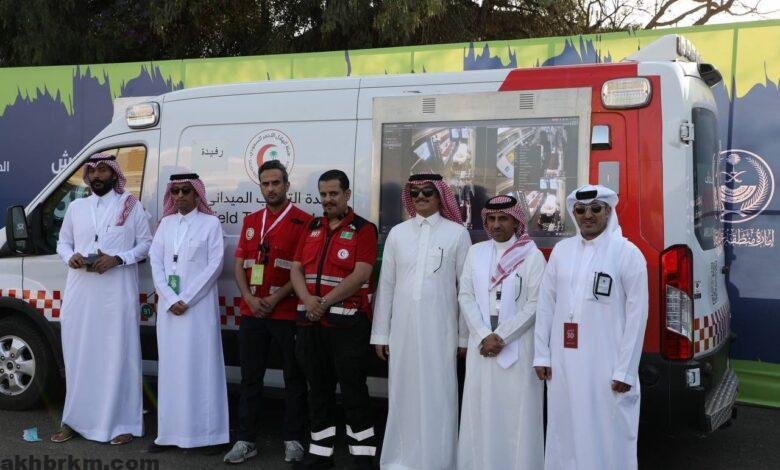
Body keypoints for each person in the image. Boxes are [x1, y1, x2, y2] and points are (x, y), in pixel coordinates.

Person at [533, 184, 648, 470]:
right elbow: (546, 304)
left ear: (609, 211)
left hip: (606, 363)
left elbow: (637, 316)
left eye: (596, 209)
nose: (588, 215)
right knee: (564, 429)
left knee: (607, 433)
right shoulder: (562, 251)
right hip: (563, 361)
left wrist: (625, 370)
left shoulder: (627, 253)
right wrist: (542, 354)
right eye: (581, 210)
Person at [371, 173, 471, 470]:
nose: (421, 197)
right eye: (415, 192)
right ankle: (399, 460)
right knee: (402, 394)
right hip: (402, 331)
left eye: (428, 191)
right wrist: (381, 334)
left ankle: (437, 461)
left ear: (440, 195)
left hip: (440, 330)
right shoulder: (398, 233)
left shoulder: (457, 234)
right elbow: (386, 287)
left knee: (439, 395)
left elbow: (466, 291)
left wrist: (464, 336)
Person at [52, 153, 152, 445]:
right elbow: (63, 242)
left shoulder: (130, 205)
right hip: (81, 293)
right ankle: (74, 420)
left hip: (115, 294)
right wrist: (70, 256)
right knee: (80, 354)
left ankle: (123, 423)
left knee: (117, 354)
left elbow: (146, 245)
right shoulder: (77, 208)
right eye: (93, 171)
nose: (97, 176)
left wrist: (118, 259)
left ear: (114, 174)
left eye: (103, 171)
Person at [224, 160, 311, 464]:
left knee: (294, 378)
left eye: (276, 183)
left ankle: (293, 439)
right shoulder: (251, 221)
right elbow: (239, 265)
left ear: (287, 185)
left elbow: (302, 270)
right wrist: (248, 297)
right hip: (253, 313)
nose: (271, 188)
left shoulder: (304, 221)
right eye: (265, 183)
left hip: (286, 313)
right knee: (250, 378)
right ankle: (246, 440)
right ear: (259, 186)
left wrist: (275, 297)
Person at [290, 169, 378, 470]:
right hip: (311, 324)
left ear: (347, 194)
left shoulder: (364, 229)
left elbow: (362, 274)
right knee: (318, 391)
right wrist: (307, 300)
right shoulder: (312, 226)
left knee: (354, 391)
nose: (327, 199)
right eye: (323, 194)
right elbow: (296, 269)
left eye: (334, 194)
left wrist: (323, 302)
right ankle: (320, 454)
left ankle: (363, 457)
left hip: (348, 327)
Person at [456, 194, 546, 470]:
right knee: (480, 410)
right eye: (492, 219)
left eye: (503, 218)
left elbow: (536, 303)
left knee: (516, 414)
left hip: (517, 346)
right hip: (481, 345)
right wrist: (484, 334)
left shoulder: (532, 255)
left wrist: (502, 336)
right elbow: (466, 296)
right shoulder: (477, 252)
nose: (496, 225)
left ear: (516, 221)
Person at [147, 173, 229, 455]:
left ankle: (209, 436)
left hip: (198, 311)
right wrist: (170, 299)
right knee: (171, 371)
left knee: (202, 370)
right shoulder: (166, 224)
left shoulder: (210, 224)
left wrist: (187, 298)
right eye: (176, 191)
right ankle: (169, 435)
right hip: (170, 311)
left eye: (186, 191)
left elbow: (215, 266)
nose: (180, 196)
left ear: (197, 194)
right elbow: (156, 262)